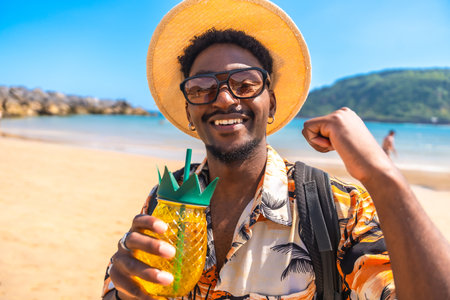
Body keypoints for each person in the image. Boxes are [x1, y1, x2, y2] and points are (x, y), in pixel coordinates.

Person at [102, 1, 450, 299]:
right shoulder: (166, 199)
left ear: (272, 104)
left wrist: (382, 174)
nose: (224, 98)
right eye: (202, 87)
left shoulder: (339, 206)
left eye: (245, 84)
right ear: (190, 113)